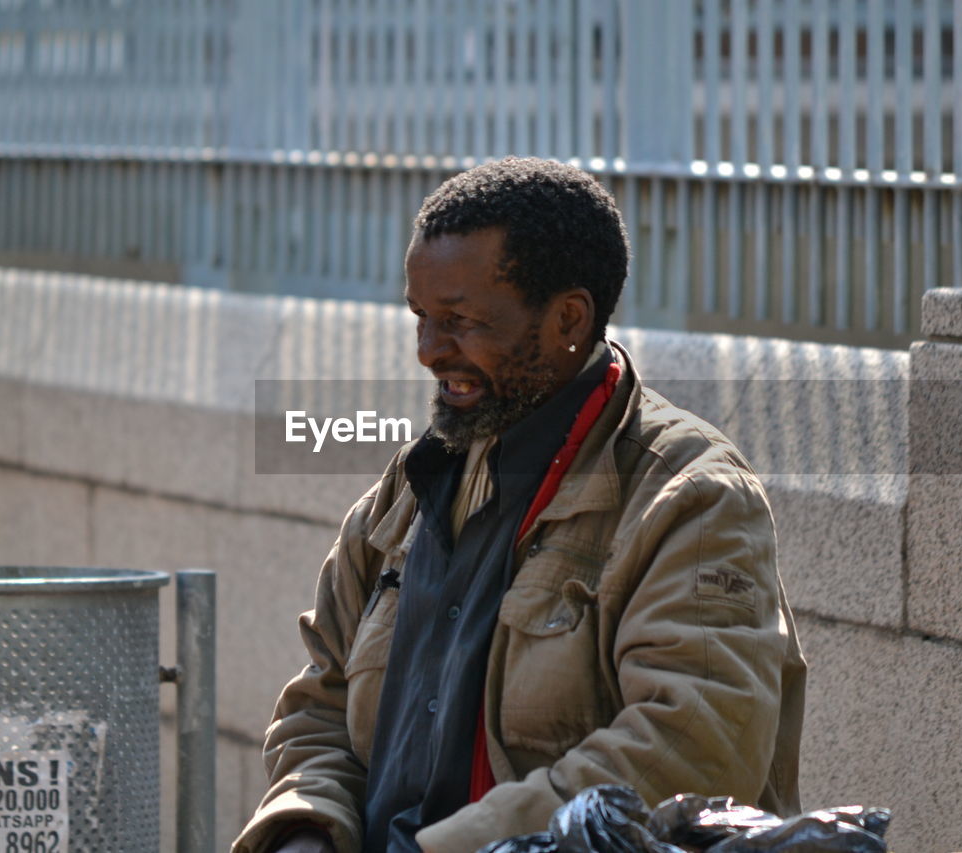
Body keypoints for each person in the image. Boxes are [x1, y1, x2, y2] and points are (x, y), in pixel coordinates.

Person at [232, 157, 805, 853]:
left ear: (568, 318)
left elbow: (694, 744)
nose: (427, 351)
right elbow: (318, 703)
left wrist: (445, 845)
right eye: (419, 318)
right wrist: (306, 829)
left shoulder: (691, 497)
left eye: (460, 321)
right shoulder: (413, 484)